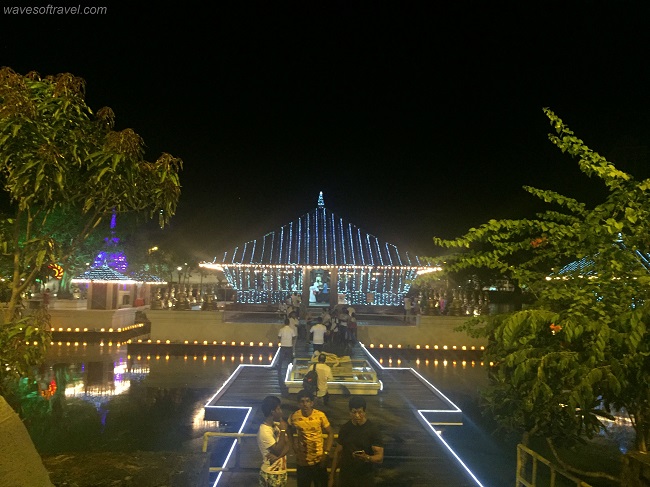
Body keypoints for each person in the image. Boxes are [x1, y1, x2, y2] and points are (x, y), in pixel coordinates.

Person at [328, 396, 384, 487]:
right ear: (350, 412)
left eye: (360, 412)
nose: (357, 415)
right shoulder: (345, 429)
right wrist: (332, 476)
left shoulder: (373, 430)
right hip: (346, 478)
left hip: (364, 479)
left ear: (365, 412)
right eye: (354, 412)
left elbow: (380, 457)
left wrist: (367, 458)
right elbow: (338, 453)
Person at [288, 389, 334, 487]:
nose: (305, 404)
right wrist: (293, 446)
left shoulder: (320, 416)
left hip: (319, 460)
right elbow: (289, 431)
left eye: (307, 401)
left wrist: (326, 452)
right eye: (302, 401)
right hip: (302, 462)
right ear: (298, 404)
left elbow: (330, 433)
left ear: (312, 403)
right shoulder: (294, 417)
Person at [258, 395, 290, 487]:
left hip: (281, 472)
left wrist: (278, 457)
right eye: (278, 409)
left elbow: (288, 445)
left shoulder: (277, 425)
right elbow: (277, 450)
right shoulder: (264, 430)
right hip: (270, 473)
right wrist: (283, 431)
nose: (281, 412)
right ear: (272, 411)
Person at [277, 319, 296, 389]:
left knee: (281, 358)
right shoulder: (291, 330)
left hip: (283, 345)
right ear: (289, 323)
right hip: (289, 346)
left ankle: (279, 368)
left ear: (284, 323)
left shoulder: (281, 329)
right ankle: (290, 369)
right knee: (289, 358)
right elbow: (294, 337)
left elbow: (279, 337)